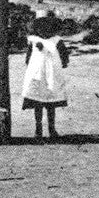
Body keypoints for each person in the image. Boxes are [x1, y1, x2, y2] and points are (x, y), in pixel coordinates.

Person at [22, 11, 70, 142]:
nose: (45, 29)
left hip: (51, 77)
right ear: (37, 28)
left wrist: (61, 65)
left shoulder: (57, 41)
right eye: (41, 26)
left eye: (48, 26)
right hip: (38, 76)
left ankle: (52, 129)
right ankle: (38, 129)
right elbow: (28, 58)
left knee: (50, 104)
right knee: (38, 103)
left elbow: (64, 57)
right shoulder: (33, 41)